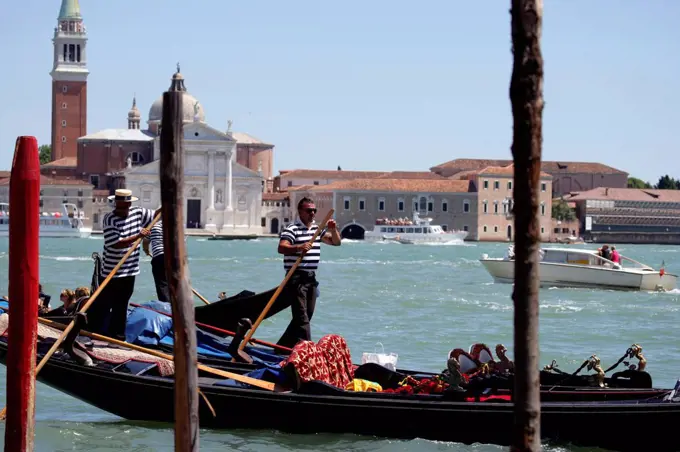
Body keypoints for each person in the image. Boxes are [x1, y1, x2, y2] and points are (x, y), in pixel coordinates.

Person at [88, 189, 161, 340]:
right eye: (120, 206)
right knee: (104, 304)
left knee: (121, 305)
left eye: (125, 206)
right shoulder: (109, 219)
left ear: (129, 204)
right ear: (116, 204)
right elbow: (115, 243)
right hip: (110, 271)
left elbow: (155, 216)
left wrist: (167, 205)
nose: (123, 209)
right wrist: (138, 236)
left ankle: (118, 337)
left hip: (130, 270)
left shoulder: (138, 213)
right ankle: (94, 332)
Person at [276, 197, 341, 348]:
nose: (312, 213)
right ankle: (308, 349)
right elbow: (282, 247)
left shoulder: (317, 230)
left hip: (311, 278)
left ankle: (282, 347)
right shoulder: (292, 229)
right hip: (295, 278)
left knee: (306, 316)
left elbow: (336, 242)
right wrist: (299, 247)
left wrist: (333, 229)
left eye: (314, 211)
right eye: (308, 210)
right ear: (300, 212)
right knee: (302, 318)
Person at [143, 219, 170, 302]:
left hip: (159, 257)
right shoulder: (172, 225)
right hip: (173, 258)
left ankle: (167, 308)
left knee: (162, 285)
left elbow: (145, 241)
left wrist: (146, 250)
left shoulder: (152, 226)